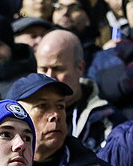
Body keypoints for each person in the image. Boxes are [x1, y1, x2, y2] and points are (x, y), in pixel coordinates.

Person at [36, 24, 126, 152]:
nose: (50, 77)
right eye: (43, 69)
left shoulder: (105, 120)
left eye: (58, 69)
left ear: (80, 68)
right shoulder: (22, 115)